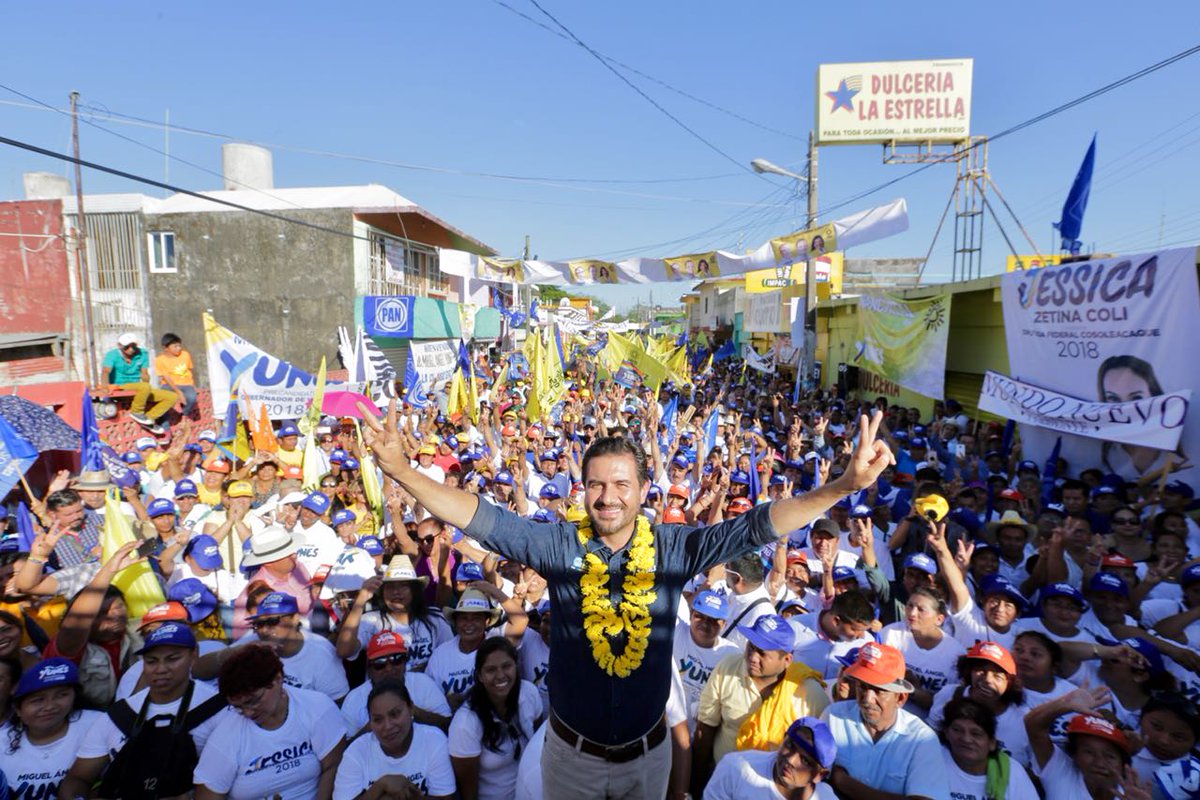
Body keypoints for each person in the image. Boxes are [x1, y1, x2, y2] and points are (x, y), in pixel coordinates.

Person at [359, 402, 893, 800]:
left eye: (620, 484)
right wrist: (404, 472)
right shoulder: (557, 544)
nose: (607, 497)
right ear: (582, 490)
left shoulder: (673, 548)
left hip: (649, 756)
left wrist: (841, 487)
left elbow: (758, 524)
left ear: (642, 491)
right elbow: (481, 517)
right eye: (595, 485)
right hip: (571, 759)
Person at [61, 622, 229, 799]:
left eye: (172, 659)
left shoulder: (219, 709)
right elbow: (78, 777)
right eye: (151, 661)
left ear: (193, 656)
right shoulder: (120, 714)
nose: (161, 669)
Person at [193, 643, 347, 800]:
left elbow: (333, 766)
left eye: (254, 701)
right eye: (238, 707)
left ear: (278, 679)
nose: (247, 712)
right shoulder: (226, 737)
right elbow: (208, 795)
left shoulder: (317, 707)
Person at [693, 614, 828, 790]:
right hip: (721, 780)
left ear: (786, 660)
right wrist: (696, 781)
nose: (752, 657)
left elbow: (820, 755)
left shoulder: (809, 695)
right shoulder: (728, 667)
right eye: (751, 647)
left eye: (762, 653)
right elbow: (706, 726)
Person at [820, 642, 950, 800]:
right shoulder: (833, 715)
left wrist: (844, 783)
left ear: (900, 697)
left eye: (878, 690)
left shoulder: (922, 739)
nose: (868, 699)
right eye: (862, 687)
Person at [196, 591, 349, 701]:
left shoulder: (321, 652)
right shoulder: (253, 639)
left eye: (272, 622)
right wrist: (237, 652)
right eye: (259, 624)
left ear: (295, 618)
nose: (264, 630)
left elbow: (338, 702)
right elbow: (198, 671)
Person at [447, 637, 541, 800]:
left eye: (506, 666)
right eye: (491, 670)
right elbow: (469, 795)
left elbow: (539, 746)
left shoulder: (530, 693)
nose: (500, 676)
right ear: (480, 676)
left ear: (516, 666)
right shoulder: (465, 724)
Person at [333, 679, 456, 800]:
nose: (388, 726)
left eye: (395, 714)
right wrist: (381, 786)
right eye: (378, 719)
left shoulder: (433, 740)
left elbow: (446, 797)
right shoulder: (356, 753)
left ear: (411, 709)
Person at [0, 658, 104, 800]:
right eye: (37, 700)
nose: (50, 706)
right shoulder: (2, 742)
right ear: (18, 709)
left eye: (61, 695)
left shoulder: (98, 724)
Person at [1025, 684, 1151, 800]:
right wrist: (1064, 704)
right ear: (1075, 755)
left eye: (1110, 756)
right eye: (1089, 752)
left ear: (1123, 764)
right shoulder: (1062, 771)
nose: (1100, 763)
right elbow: (1033, 725)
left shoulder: (1132, 797)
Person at [337, 556, 453, 673]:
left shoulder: (434, 619)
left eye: (403, 585)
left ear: (415, 590)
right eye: (390, 587)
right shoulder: (371, 621)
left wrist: (426, 668)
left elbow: (449, 656)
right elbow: (344, 651)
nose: (396, 592)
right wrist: (361, 599)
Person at [927, 641, 1031, 765]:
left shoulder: (1024, 718)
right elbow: (929, 738)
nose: (987, 680)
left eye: (997, 676)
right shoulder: (948, 695)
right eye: (980, 671)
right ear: (968, 672)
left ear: (1009, 683)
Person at [340, 631, 452, 736]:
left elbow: (448, 726)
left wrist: (413, 711)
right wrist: (376, 724)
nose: (389, 668)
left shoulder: (423, 683)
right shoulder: (354, 699)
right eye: (380, 663)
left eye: (396, 659)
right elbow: (344, 748)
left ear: (405, 662)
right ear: (369, 669)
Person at [703, 716, 838, 800]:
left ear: (820, 775)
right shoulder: (734, 768)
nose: (790, 760)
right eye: (790, 745)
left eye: (805, 760)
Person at [938, 697, 1039, 800]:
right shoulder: (932, 762)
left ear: (992, 743)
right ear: (946, 732)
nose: (966, 739)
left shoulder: (1013, 771)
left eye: (976, 734)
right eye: (957, 730)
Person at [99, 332, 179, 433]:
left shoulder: (143, 354)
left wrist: (146, 378)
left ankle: (148, 419)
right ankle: (137, 412)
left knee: (171, 397)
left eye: (133, 346)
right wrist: (105, 386)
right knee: (144, 387)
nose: (130, 349)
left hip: (138, 387)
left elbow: (144, 373)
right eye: (127, 347)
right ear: (120, 346)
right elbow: (106, 371)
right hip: (120, 385)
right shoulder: (112, 355)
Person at [155, 332, 197, 419]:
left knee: (192, 398)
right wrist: (179, 392)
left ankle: (184, 415)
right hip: (169, 384)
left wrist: (193, 385)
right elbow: (166, 377)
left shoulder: (185, 354)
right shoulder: (160, 360)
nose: (178, 348)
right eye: (175, 346)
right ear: (166, 348)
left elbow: (189, 370)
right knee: (165, 400)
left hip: (186, 384)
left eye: (179, 346)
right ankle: (165, 426)